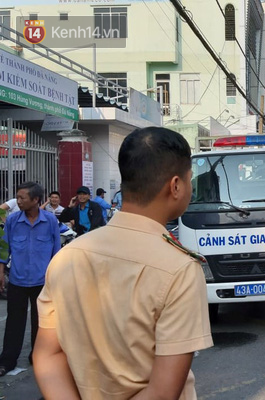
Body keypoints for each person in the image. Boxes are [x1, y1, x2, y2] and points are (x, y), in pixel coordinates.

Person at [33, 126, 213, 399]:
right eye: (190, 181)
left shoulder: (67, 257)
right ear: (176, 186)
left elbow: (47, 355)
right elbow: (163, 393)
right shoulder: (180, 269)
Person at [0, 182, 60, 376]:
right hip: (17, 280)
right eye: (17, 197)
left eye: (22, 198)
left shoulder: (50, 221)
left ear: (35, 200)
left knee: (41, 323)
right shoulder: (12, 221)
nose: (18, 201)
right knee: (14, 322)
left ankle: (38, 356)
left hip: (42, 283)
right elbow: (4, 249)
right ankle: (7, 361)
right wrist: (1, 271)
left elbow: (56, 252)